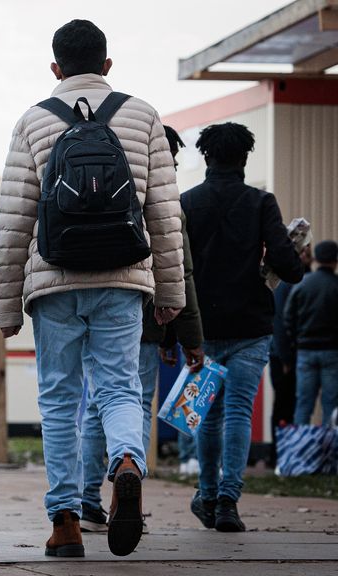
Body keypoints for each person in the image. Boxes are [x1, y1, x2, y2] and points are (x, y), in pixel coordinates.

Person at [0, 19, 185, 558]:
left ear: (54, 68)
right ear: (107, 65)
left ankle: (66, 523)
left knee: (59, 397)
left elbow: (14, 218)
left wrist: (6, 306)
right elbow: (165, 214)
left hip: (53, 281)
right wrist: (171, 293)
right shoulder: (143, 116)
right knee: (120, 388)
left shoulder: (33, 121)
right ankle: (125, 461)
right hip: (124, 278)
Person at [79, 125, 203, 532]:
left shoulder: (106, 186)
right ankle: (124, 492)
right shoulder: (167, 203)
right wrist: (188, 338)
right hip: (146, 321)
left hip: (88, 310)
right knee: (131, 406)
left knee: (95, 405)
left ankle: (84, 496)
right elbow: (178, 273)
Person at [182, 122, 303, 533]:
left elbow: (176, 268)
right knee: (237, 411)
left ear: (206, 157)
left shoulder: (187, 203)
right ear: (245, 158)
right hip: (251, 324)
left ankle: (209, 495)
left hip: (202, 328)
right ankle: (229, 500)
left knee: (206, 415)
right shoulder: (261, 202)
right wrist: (292, 254)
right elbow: (289, 267)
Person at [286, 240, 338, 425]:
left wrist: (295, 342)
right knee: (331, 404)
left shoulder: (303, 284)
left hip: (305, 351)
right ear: (335, 260)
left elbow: (288, 317)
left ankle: (300, 451)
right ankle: (330, 450)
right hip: (332, 352)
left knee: (303, 404)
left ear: (316, 259)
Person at [270, 243, 313, 453]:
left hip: (297, 352)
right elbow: (279, 321)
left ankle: (290, 451)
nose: (306, 254)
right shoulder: (288, 281)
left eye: (309, 251)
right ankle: (281, 452)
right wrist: (285, 358)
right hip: (283, 354)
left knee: (294, 402)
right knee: (283, 403)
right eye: (303, 251)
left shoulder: (306, 280)